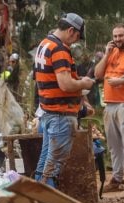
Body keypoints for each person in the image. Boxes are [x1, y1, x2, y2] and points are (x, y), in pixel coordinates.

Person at [33, 13, 95, 188]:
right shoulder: (59, 49)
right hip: (60, 115)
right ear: (70, 30)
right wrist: (84, 83)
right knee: (52, 170)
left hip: (48, 112)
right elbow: (66, 85)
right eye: (76, 37)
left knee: (44, 167)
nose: (75, 41)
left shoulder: (44, 44)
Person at [94, 24, 124, 192]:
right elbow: (97, 74)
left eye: (120, 36)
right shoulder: (111, 52)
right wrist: (107, 53)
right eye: (115, 36)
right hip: (110, 103)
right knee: (114, 145)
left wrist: (121, 81)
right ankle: (117, 178)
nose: (117, 39)